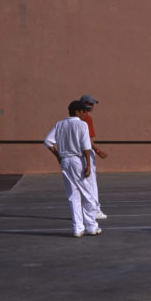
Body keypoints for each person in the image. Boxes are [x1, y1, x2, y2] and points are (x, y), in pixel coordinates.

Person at [44, 101, 102, 237]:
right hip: (78, 161)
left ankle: (77, 228)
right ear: (77, 112)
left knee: (73, 196)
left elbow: (48, 141)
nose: (85, 114)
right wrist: (88, 165)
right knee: (88, 195)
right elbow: (86, 147)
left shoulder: (60, 124)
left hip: (65, 161)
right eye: (83, 111)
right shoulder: (82, 124)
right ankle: (91, 227)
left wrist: (58, 156)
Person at [79, 94, 108, 220]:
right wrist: (98, 150)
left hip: (75, 154)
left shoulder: (73, 119)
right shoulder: (87, 118)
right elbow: (88, 138)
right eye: (91, 104)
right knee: (91, 183)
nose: (92, 106)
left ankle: (83, 211)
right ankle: (94, 210)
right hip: (86, 153)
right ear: (85, 103)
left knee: (81, 184)